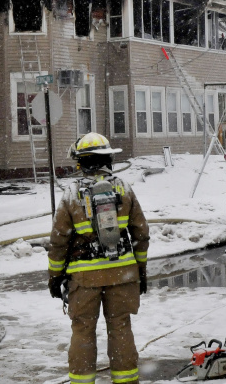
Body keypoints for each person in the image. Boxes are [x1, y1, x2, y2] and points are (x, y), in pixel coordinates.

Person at [48, 132, 150, 384]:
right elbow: (141, 233)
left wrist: (55, 276)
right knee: (120, 327)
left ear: (81, 162)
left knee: (83, 331)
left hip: (84, 279)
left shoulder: (71, 195)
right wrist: (141, 270)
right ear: (109, 160)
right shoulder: (123, 188)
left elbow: (59, 240)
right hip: (123, 273)